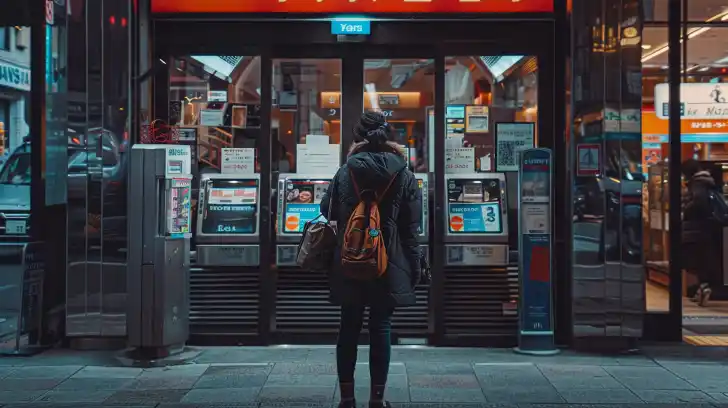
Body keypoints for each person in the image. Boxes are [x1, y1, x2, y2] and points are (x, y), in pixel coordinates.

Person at [321, 111, 422, 408]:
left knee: (348, 327)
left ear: (357, 138)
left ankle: (347, 399)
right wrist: (414, 266)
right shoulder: (403, 173)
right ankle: (377, 400)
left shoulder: (345, 171)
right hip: (389, 263)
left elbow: (326, 210)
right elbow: (411, 227)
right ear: (388, 136)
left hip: (350, 259)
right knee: (381, 328)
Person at [681, 159, 724, 306]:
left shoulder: (698, 183)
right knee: (704, 260)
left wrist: (685, 210)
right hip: (707, 228)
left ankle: (704, 287)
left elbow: (698, 203)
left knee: (696, 260)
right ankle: (702, 289)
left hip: (697, 229)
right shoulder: (709, 182)